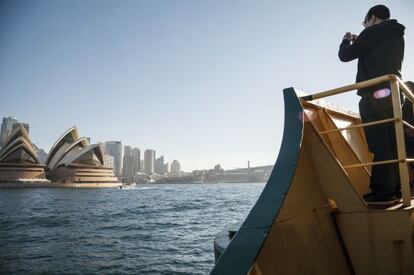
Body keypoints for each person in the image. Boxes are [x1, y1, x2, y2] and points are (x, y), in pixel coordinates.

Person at [338, 5, 405, 203]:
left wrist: (346, 41)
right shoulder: (396, 34)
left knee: (380, 144)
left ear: (373, 18)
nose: (365, 26)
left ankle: (383, 194)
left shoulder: (373, 31)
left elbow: (345, 56)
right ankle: (395, 190)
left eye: (365, 22)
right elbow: (379, 54)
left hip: (375, 95)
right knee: (393, 146)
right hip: (394, 93)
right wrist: (363, 40)